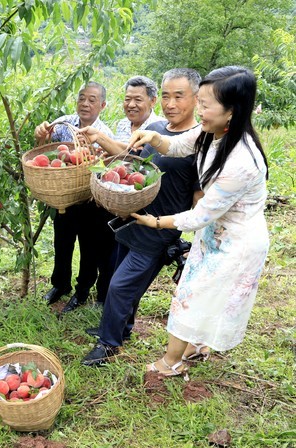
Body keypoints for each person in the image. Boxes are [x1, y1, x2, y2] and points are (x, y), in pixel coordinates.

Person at [126, 66, 268, 376]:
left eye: (205, 105)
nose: (198, 111)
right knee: (203, 293)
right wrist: (152, 134)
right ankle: (194, 347)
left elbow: (202, 213)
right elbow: (176, 146)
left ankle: (170, 362)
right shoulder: (210, 132)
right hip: (214, 234)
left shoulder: (242, 160)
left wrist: (157, 222)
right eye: (199, 102)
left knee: (193, 295)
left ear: (232, 111)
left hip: (237, 242)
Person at [80, 68, 203, 366]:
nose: (170, 103)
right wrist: (98, 137)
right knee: (123, 280)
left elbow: (201, 197)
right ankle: (121, 328)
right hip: (135, 218)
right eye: (165, 95)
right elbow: (128, 153)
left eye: (178, 96)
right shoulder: (158, 127)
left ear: (197, 99)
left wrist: (198, 238)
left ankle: (108, 344)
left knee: (121, 285)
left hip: (159, 229)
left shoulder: (199, 141)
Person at [34, 82, 117, 312]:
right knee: (62, 244)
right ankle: (60, 285)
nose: (85, 104)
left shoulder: (104, 134)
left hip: (91, 203)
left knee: (88, 248)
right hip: (63, 198)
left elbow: (107, 169)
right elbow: (46, 153)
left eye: (92, 100)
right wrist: (41, 136)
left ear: (102, 105)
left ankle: (82, 292)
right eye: (82, 98)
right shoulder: (64, 124)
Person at [89, 75, 166, 153]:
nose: (131, 105)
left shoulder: (161, 128)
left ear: (152, 101)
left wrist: (100, 138)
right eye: (127, 99)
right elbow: (120, 155)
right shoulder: (122, 124)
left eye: (138, 100)